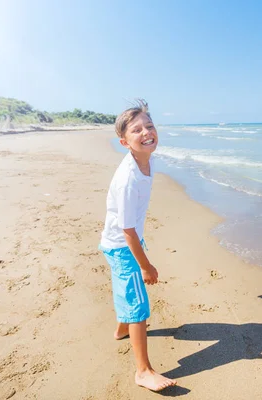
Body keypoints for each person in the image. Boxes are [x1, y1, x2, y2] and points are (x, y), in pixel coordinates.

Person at [99, 99, 176, 391]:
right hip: (123, 245)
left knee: (128, 295)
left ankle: (121, 329)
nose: (146, 132)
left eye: (150, 126)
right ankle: (143, 371)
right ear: (124, 141)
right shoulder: (128, 178)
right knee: (139, 306)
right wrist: (146, 266)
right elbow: (127, 229)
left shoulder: (147, 159)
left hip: (125, 240)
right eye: (137, 130)